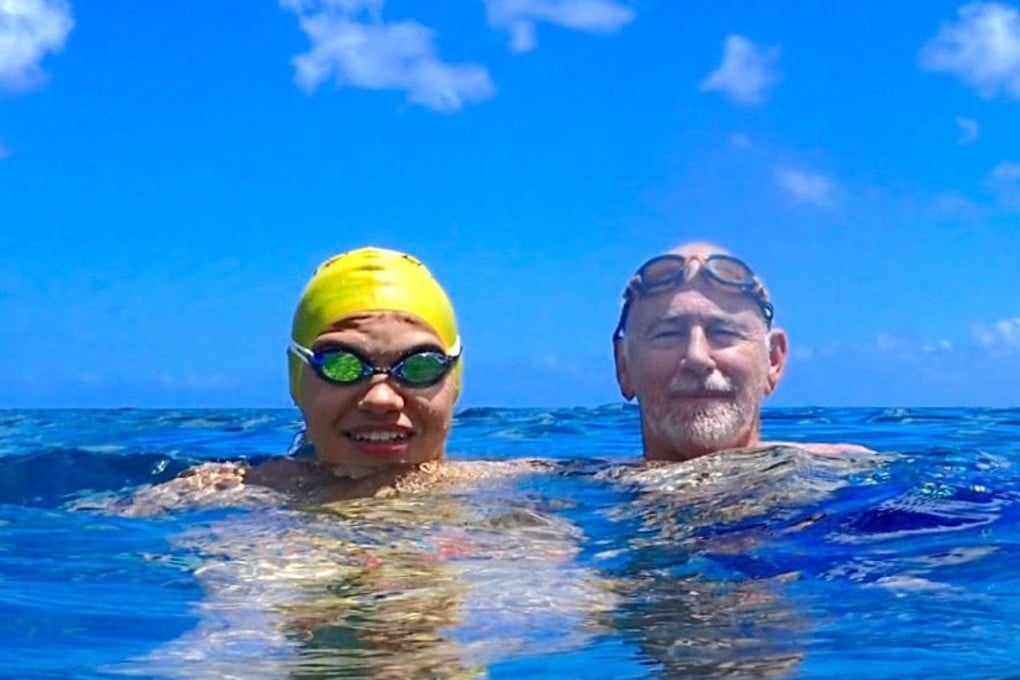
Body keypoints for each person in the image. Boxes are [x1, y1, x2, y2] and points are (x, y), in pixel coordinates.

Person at [126, 246, 541, 511]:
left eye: (419, 365)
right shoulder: (216, 492)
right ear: (298, 380)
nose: (382, 399)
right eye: (341, 364)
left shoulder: (522, 492)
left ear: (454, 382)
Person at [612, 241, 869, 461]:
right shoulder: (580, 491)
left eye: (723, 333)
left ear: (773, 361)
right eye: (667, 335)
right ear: (623, 366)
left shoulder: (848, 472)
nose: (697, 357)